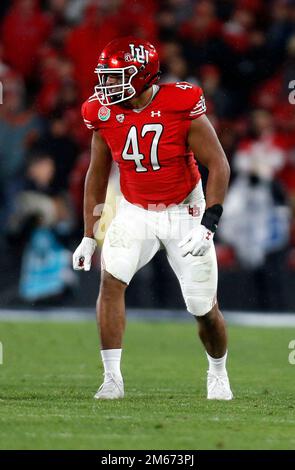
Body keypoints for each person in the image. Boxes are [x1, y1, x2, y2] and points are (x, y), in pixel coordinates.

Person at [73, 37, 233, 400]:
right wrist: (88, 234)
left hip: (185, 211)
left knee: (203, 309)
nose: (108, 86)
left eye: (117, 77)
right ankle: (112, 378)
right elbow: (97, 174)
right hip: (135, 210)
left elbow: (218, 163)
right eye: (106, 77)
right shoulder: (100, 112)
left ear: (143, 75)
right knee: (111, 281)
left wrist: (209, 223)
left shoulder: (180, 102)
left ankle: (218, 372)